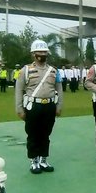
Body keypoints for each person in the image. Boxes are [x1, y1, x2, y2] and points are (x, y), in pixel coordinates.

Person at [15, 40, 63, 174]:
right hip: (33, 106)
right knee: (33, 134)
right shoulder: (25, 70)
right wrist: (19, 108)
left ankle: (43, 159)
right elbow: (19, 90)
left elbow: (59, 88)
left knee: (45, 134)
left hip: (49, 106)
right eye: (39, 52)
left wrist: (59, 106)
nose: (42, 54)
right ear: (33, 54)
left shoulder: (53, 71)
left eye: (44, 52)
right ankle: (34, 160)